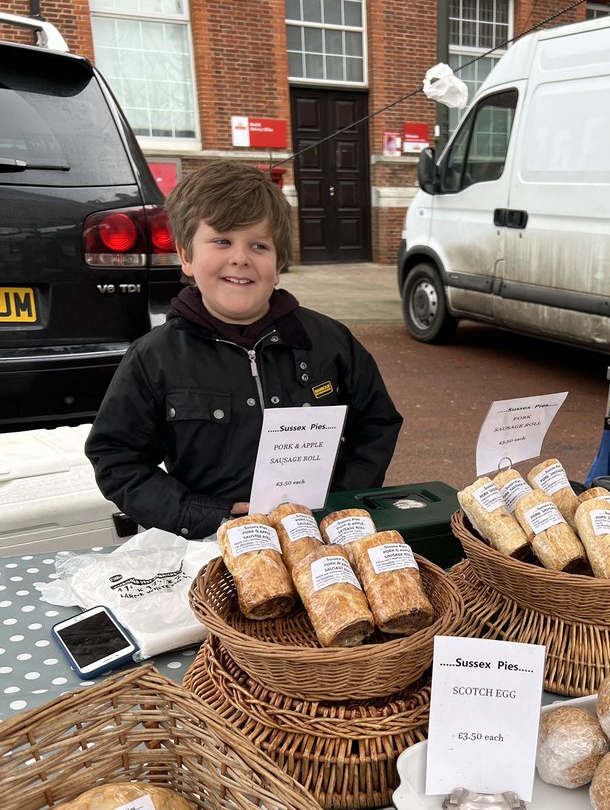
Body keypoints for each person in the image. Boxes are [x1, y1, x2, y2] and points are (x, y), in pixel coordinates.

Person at [85, 161, 402, 539]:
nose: (240, 258)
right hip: (208, 542)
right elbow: (117, 459)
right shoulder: (155, 357)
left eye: (259, 245)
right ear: (186, 256)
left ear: (278, 263)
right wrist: (200, 514)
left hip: (319, 535)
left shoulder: (329, 341)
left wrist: (341, 499)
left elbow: (377, 423)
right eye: (222, 241)